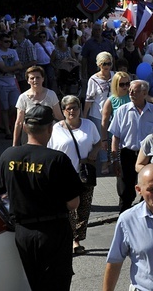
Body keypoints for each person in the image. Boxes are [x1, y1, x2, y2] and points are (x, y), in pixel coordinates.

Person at [0, 105, 82, 291]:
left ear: (25, 128)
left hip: (22, 232)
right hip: (53, 232)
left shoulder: (8, 155)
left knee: (33, 283)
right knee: (56, 283)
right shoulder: (57, 159)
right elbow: (73, 203)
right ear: (50, 128)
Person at [48, 95, 100, 255]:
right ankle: (70, 239)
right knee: (69, 209)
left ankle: (77, 238)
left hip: (84, 173)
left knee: (84, 209)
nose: (72, 111)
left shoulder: (89, 125)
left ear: (79, 109)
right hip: (64, 176)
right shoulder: (56, 128)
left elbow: (98, 142)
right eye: (68, 108)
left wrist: (93, 154)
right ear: (63, 111)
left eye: (75, 107)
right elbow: (50, 150)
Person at [109, 80, 153, 212]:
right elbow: (115, 136)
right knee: (126, 192)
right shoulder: (122, 111)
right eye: (130, 90)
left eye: (135, 90)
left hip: (148, 157)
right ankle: (124, 220)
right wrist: (114, 159)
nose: (130, 92)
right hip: (127, 154)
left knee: (148, 190)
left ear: (144, 93)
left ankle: (144, 218)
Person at [13, 65, 64, 146]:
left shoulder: (51, 94)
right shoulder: (22, 97)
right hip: (29, 136)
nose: (35, 80)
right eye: (32, 78)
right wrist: (14, 145)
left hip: (48, 134)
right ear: (28, 81)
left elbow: (59, 117)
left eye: (38, 77)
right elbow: (19, 122)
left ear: (43, 79)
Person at [100, 71, 132, 174]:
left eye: (127, 84)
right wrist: (104, 139)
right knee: (119, 167)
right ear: (115, 85)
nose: (125, 87)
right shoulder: (111, 100)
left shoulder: (133, 97)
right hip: (116, 138)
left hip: (131, 136)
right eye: (122, 84)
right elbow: (104, 122)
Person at [0, 32, 23, 138]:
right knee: (4, 107)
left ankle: (2, 122)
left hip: (12, 81)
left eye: (9, 41)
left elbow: (19, 65)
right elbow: (3, 68)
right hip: (0, 83)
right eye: (5, 41)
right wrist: (12, 69)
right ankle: (7, 130)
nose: (8, 43)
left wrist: (8, 69)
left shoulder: (13, 51)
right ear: (0, 42)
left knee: (15, 106)